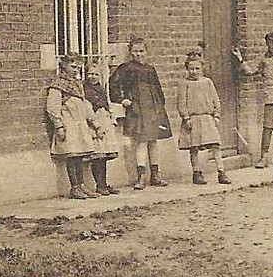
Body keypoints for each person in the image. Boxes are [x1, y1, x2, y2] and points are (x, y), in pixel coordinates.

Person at [110, 35, 172, 188]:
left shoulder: (150, 69)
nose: (139, 54)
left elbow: (158, 88)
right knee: (141, 142)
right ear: (130, 52)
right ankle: (141, 177)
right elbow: (114, 84)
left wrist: (160, 106)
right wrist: (122, 99)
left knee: (153, 141)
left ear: (147, 52)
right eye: (135, 51)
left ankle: (156, 175)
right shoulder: (126, 68)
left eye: (142, 51)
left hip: (153, 107)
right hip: (137, 108)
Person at [234, 31, 273, 168]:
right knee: (268, 127)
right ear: (267, 44)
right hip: (271, 98)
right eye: (272, 43)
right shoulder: (263, 60)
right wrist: (240, 59)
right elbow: (250, 70)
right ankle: (263, 157)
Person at [46, 55, 99, 199]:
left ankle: (82, 185)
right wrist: (59, 126)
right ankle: (74, 187)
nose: (76, 70)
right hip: (68, 124)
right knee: (72, 155)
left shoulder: (77, 84)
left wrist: (93, 122)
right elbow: (52, 107)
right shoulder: (57, 85)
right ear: (63, 66)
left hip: (79, 124)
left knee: (80, 156)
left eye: (78, 67)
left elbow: (85, 104)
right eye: (73, 67)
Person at [176, 51, 230, 186]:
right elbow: (181, 102)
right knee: (194, 148)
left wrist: (216, 115)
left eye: (197, 68)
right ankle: (197, 172)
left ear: (202, 68)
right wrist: (186, 117)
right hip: (193, 120)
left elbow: (215, 99)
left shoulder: (207, 82)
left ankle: (221, 172)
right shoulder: (184, 84)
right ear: (187, 69)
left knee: (215, 145)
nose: (194, 71)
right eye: (191, 69)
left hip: (207, 118)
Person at [82, 63, 123, 195]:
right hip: (95, 125)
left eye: (96, 74)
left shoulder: (101, 90)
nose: (93, 77)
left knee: (104, 157)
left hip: (105, 123)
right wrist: (97, 127)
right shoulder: (85, 90)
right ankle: (99, 185)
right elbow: (88, 110)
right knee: (97, 157)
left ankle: (103, 184)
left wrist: (112, 119)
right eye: (90, 74)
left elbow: (108, 105)